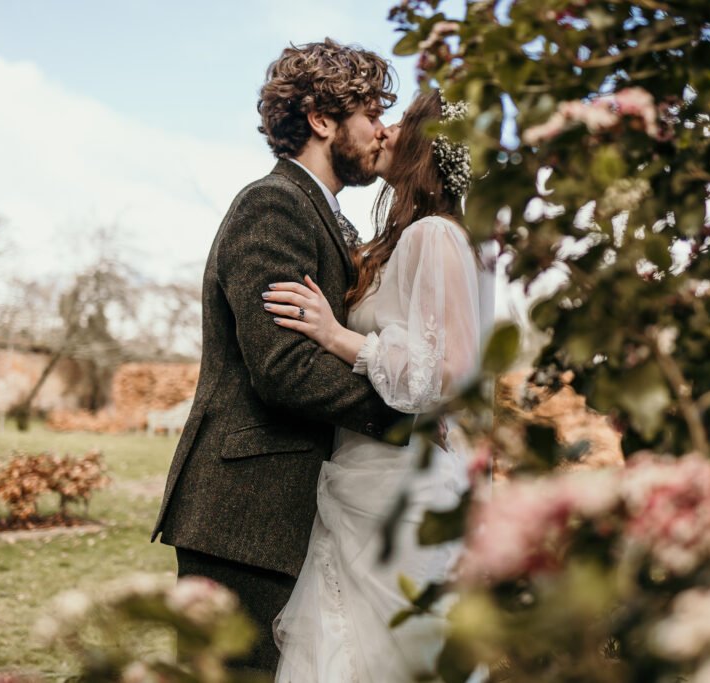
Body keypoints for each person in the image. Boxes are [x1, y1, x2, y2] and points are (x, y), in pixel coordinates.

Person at [151, 38, 412, 674]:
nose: (382, 131)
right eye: (372, 114)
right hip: (246, 513)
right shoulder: (273, 204)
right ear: (323, 120)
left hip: (294, 511)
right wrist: (408, 416)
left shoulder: (333, 221)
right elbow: (283, 368)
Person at [267, 89, 491, 682]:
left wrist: (337, 336)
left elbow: (448, 373)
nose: (384, 132)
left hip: (399, 484)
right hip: (363, 475)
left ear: (424, 147)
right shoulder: (405, 238)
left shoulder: (435, 236)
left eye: (400, 123)